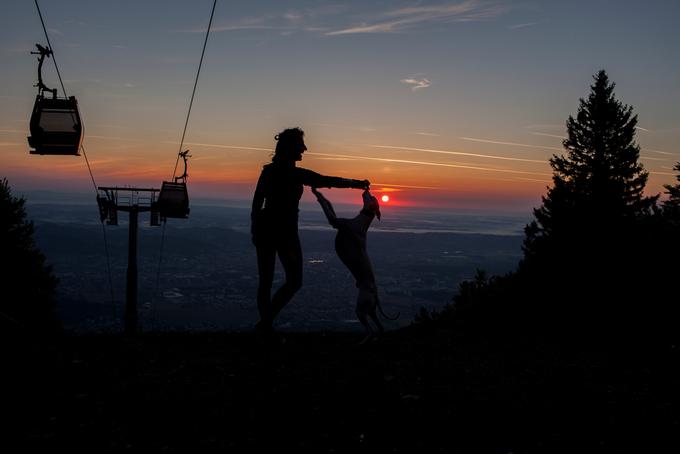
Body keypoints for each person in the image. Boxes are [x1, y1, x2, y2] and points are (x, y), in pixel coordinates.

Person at [251, 127, 369, 334]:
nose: (304, 149)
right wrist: (356, 184)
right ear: (290, 148)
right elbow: (326, 180)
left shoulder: (270, 171)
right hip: (284, 233)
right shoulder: (294, 174)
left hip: (266, 229)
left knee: (266, 282)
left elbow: (257, 202)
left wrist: (255, 228)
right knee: (293, 280)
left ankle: (265, 325)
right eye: (300, 145)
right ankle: (265, 325)